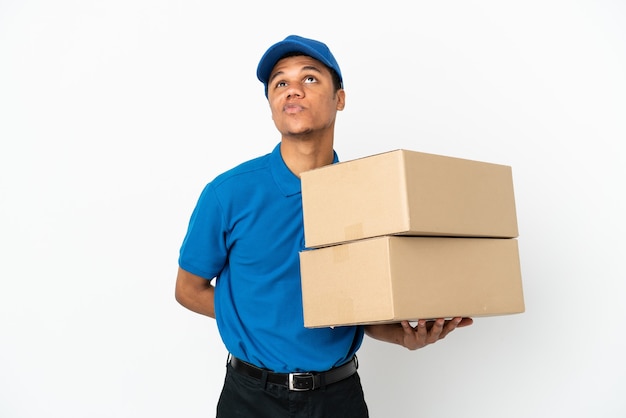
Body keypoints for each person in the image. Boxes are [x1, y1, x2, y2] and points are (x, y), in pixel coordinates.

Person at [175, 34, 473, 418]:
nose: (292, 90)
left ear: (340, 99)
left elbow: (361, 306)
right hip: (250, 399)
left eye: (310, 79)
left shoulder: (368, 195)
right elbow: (188, 289)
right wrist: (261, 319)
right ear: (271, 106)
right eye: (280, 82)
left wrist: (403, 336)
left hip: (338, 398)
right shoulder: (227, 194)